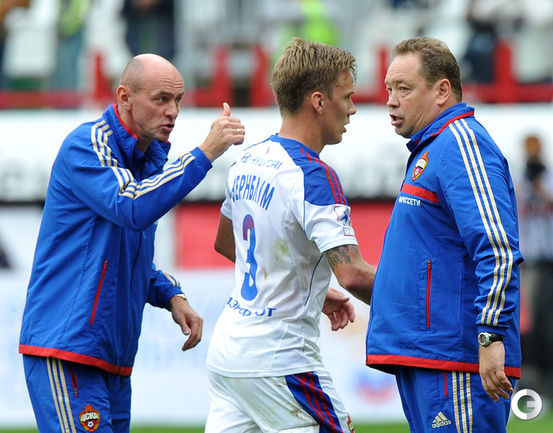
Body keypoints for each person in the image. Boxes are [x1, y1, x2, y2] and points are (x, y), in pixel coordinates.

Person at [19, 53, 245, 432]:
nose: (173, 111)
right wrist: (204, 153)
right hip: (67, 349)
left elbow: (124, 255)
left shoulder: (146, 160)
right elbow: (133, 206)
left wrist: (171, 294)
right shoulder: (87, 144)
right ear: (125, 97)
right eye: (161, 99)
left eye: (178, 100)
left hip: (110, 358)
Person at [204, 37, 375, 433]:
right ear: (318, 101)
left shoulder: (248, 160)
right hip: (280, 361)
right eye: (346, 97)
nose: (352, 108)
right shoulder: (312, 174)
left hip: (229, 354)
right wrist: (423, 308)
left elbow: (226, 243)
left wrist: (310, 288)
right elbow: (352, 274)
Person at [365, 37, 523, 432]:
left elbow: (497, 249)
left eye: (404, 89)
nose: (391, 101)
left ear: (441, 91)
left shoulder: (460, 144)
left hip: (457, 359)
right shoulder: (432, 147)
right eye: (388, 89)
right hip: (429, 356)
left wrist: (490, 336)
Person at [516, 134, 553, 402]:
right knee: (533, 322)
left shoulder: (547, 177)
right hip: (529, 262)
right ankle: (536, 378)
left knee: (546, 323)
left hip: (549, 259)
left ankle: (545, 378)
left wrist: (538, 183)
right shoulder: (520, 179)